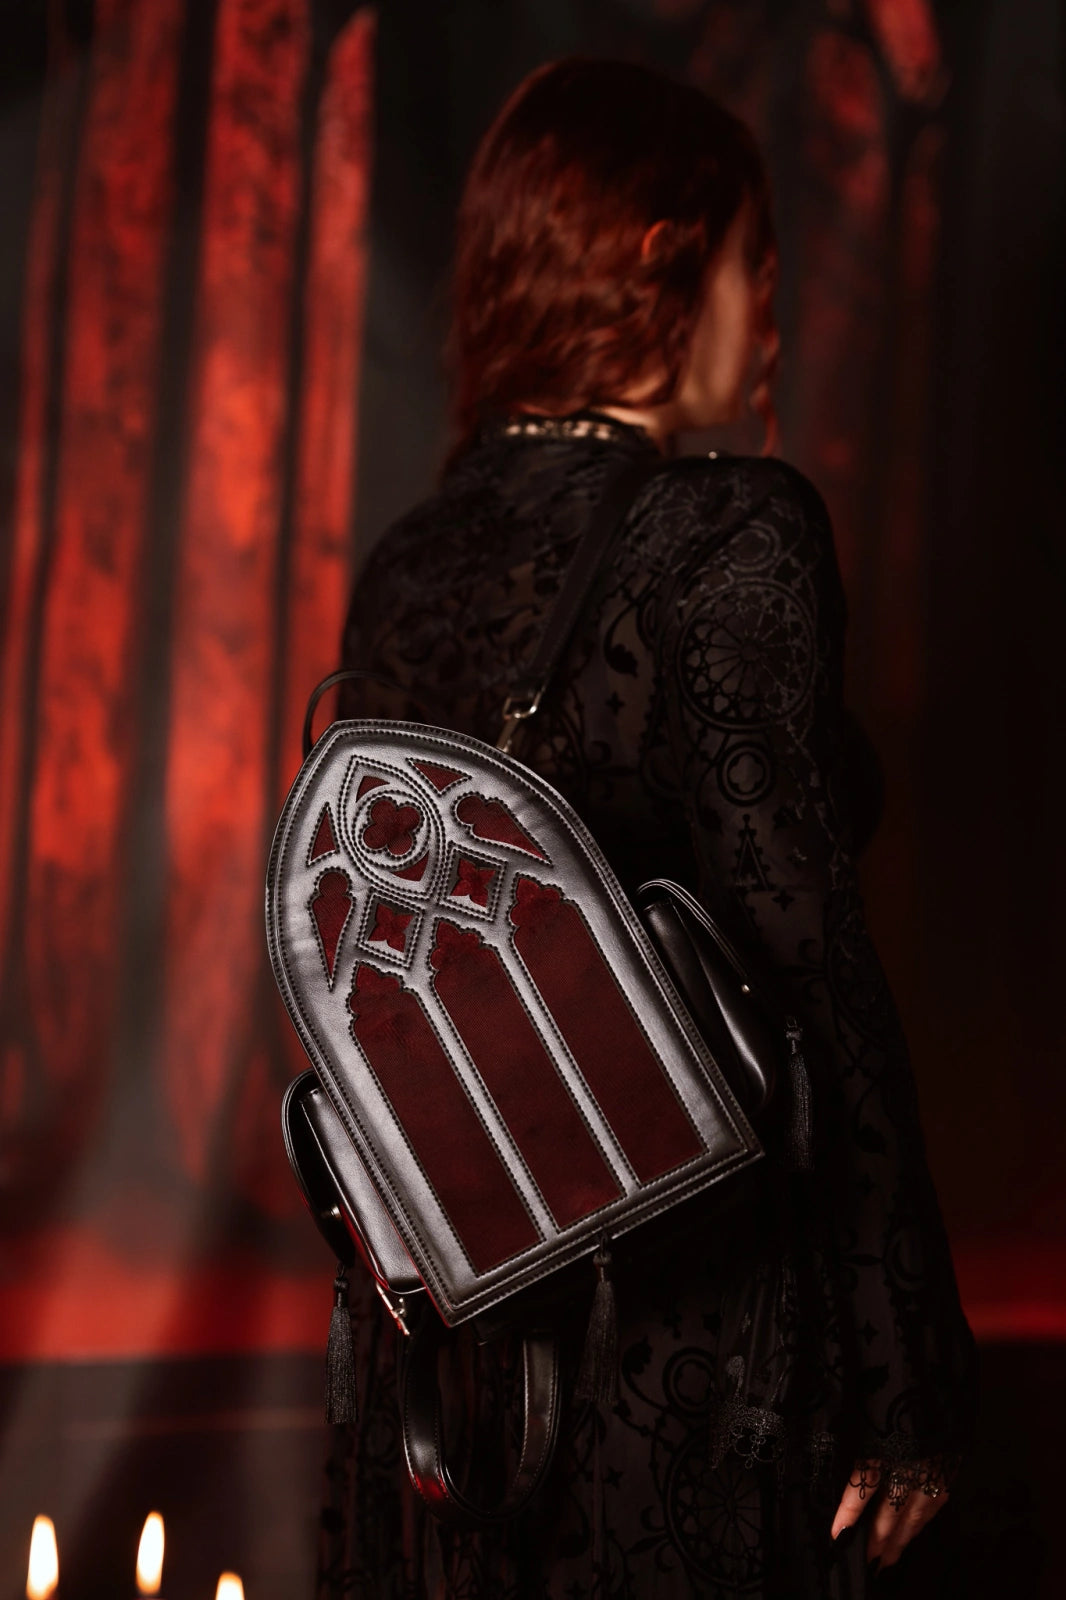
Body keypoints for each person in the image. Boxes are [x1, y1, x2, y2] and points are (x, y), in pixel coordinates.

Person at [331, 57, 977, 1600]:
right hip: (693, 1350)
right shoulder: (731, 527)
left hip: (463, 1364)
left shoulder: (407, 561)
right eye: (756, 266)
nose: (765, 322)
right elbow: (815, 973)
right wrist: (906, 1376)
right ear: (659, 260)